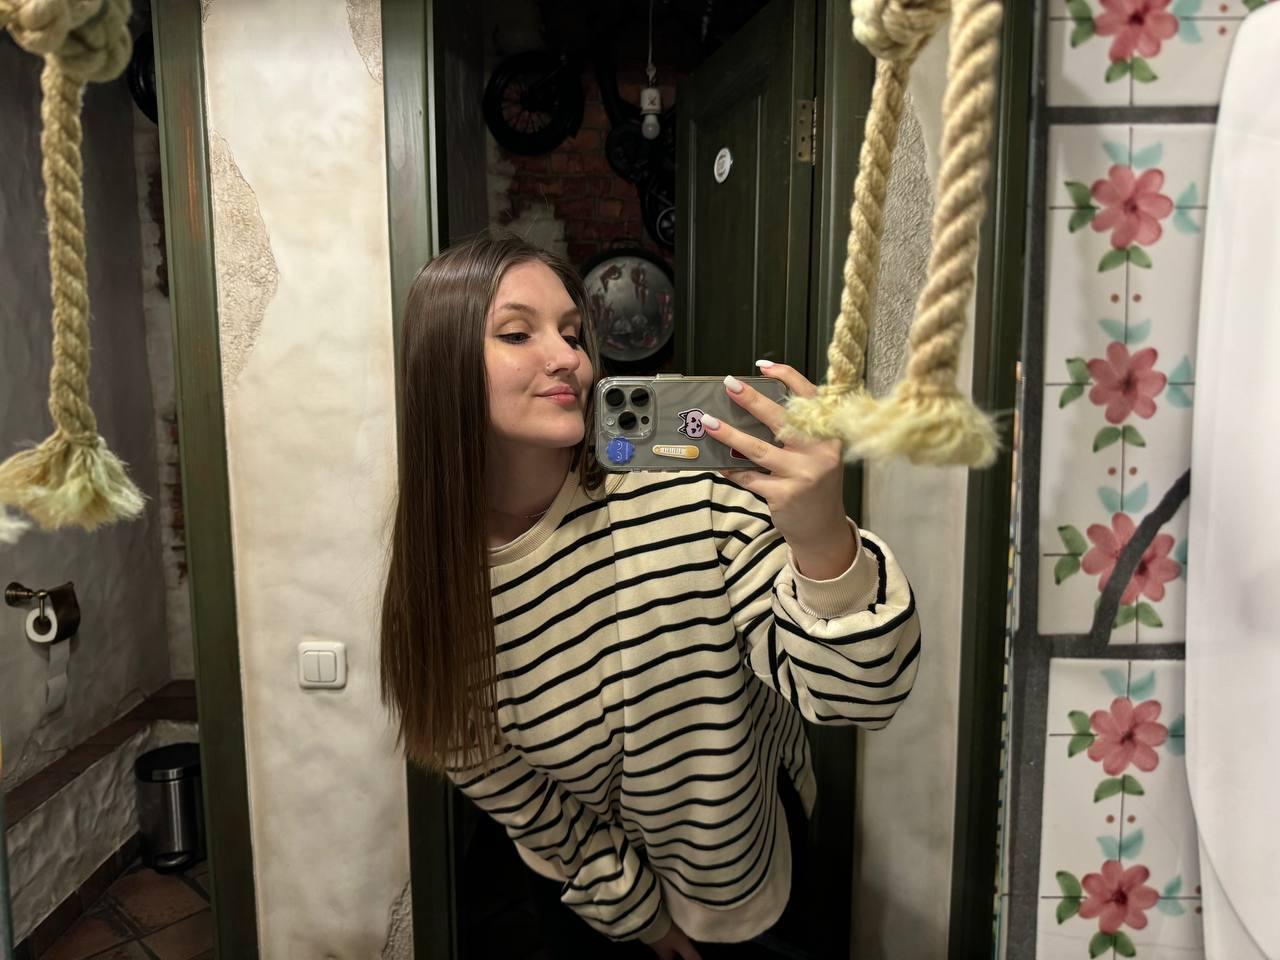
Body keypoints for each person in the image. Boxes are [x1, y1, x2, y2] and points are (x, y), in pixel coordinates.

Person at [379, 232, 921, 959]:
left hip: (748, 877)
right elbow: (508, 785)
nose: (568, 357)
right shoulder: (439, 579)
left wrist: (822, 536)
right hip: (587, 900)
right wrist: (640, 914)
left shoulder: (688, 493)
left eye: (573, 332)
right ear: (440, 367)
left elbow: (861, 696)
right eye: (517, 333)